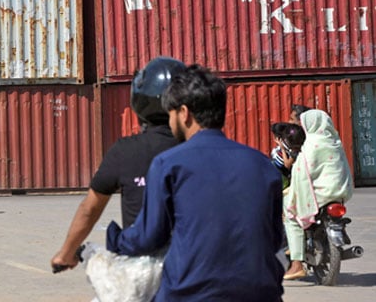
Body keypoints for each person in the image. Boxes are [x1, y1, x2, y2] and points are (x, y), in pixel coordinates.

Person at [106, 64, 284, 301]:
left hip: (190, 295)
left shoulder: (169, 164)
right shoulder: (263, 165)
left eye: (170, 114)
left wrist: (116, 238)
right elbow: (274, 240)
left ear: (184, 113)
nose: (170, 123)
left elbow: (149, 238)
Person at [50, 56, 185, 273]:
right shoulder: (203, 149)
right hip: (196, 269)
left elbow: (90, 209)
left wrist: (66, 253)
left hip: (143, 273)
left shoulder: (126, 151)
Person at [282, 109, 353, 280]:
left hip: (321, 194)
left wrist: (293, 193)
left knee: (291, 215)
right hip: (340, 192)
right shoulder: (335, 141)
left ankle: (297, 264)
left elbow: (302, 174)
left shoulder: (311, 144)